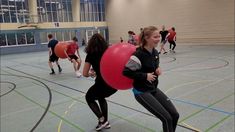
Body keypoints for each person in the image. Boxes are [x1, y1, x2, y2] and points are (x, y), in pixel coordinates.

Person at [123, 26, 179, 132]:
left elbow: (153, 66)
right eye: (155, 37)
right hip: (141, 92)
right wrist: (145, 76)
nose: (158, 39)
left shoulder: (155, 52)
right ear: (147, 38)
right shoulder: (138, 55)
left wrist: (157, 69)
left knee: (174, 115)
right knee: (166, 119)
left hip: (153, 88)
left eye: (159, 36)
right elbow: (126, 72)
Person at [83, 33, 117, 131]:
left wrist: (91, 73)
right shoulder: (109, 51)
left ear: (91, 44)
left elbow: (85, 73)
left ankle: (102, 119)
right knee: (101, 97)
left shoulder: (90, 55)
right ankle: (105, 122)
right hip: (114, 84)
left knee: (89, 97)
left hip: (102, 84)